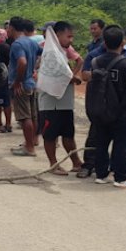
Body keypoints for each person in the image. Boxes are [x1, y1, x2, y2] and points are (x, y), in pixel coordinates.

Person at [85, 25, 126, 187]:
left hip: (101, 110)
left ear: (104, 42)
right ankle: (121, 177)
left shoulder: (96, 62)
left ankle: (101, 174)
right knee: (121, 145)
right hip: (122, 112)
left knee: (102, 142)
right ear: (122, 43)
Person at [37, 21, 84, 175]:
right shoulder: (49, 51)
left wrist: (74, 75)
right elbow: (60, 74)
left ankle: (76, 161)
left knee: (68, 133)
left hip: (65, 100)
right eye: (68, 36)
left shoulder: (63, 50)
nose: (71, 40)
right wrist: (74, 78)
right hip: (51, 102)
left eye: (72, 37)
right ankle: (53, 164)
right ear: (57, 35)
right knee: (50, 135)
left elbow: (76, 64)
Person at [7, 18, 41, 158]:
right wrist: (34, 68)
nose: (6, 31)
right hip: (31, 84)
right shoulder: (31, 42)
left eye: (8, 28)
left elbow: (22, 62)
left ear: (13, 28)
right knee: (32, 116)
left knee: (24, 117)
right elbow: (42, 52)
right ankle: (31, 142)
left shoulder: (17, 44)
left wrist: (17, 82)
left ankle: (30, 148)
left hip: (22, 85)